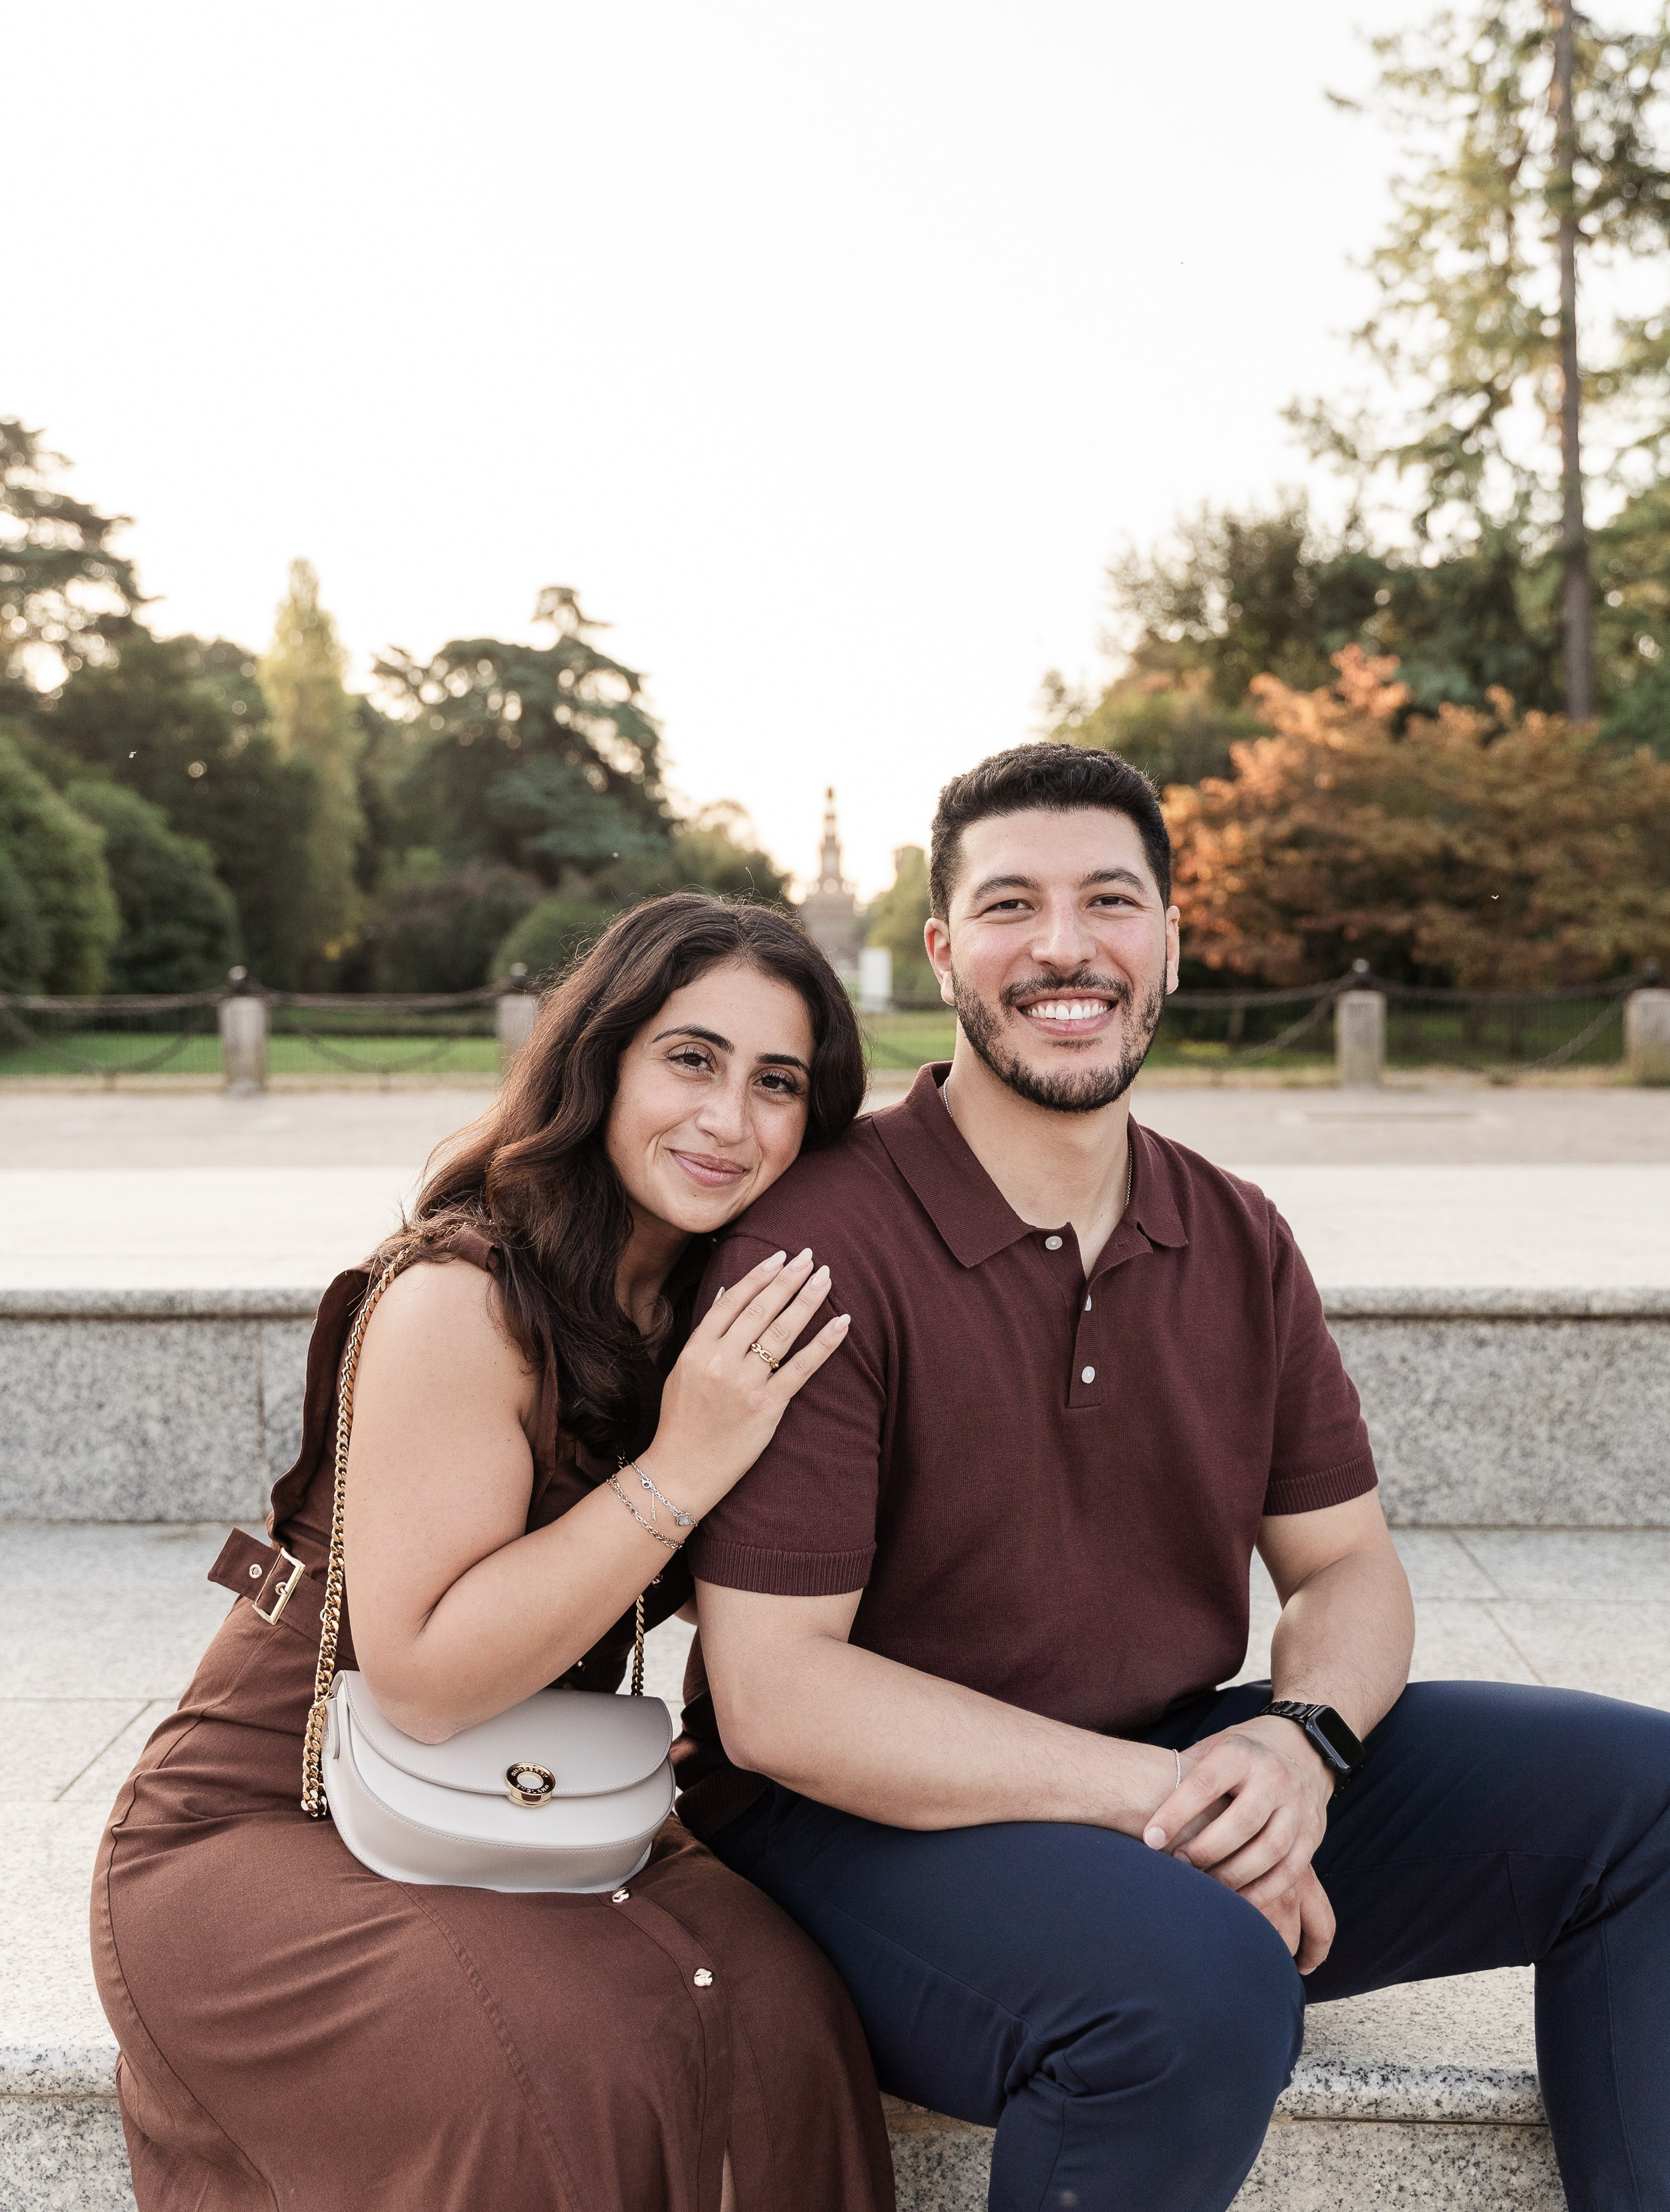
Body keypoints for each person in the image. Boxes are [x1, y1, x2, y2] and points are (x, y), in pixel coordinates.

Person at [675, 745, 1670, 2212]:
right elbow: (777, 1698)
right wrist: (1173, 1799)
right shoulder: (817, 1241)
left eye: (1109, 901)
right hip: (853, 1831)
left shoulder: (1235, 1231)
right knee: (1187, 1996)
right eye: (1011, 905)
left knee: (1644, 1799)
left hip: (1168, 1762)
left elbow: (1344, 1568)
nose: (1064, 946)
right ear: (944, 951)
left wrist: (1294, 1749)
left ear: (1167, 943)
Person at [92, 894, 895, 2212]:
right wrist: (681, 1464)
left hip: (527, 1792)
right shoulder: (462, 1295)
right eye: (689, 1059)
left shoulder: (717, 1305)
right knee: (552, 2058)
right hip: (268, 1819)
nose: (726, 1120)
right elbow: (415, 1676)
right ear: (604, 1059)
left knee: (780, 2009)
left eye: (777, 1084)